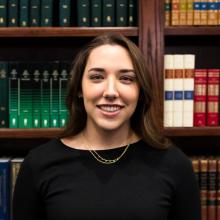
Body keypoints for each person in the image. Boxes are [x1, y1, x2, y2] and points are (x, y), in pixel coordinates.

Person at [13, 32, 200, 220]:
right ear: (79, 88)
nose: (111, 92)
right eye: (97, 77)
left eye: (126, 78)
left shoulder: (175, 165)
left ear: (140, 91)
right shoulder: (38, 165)